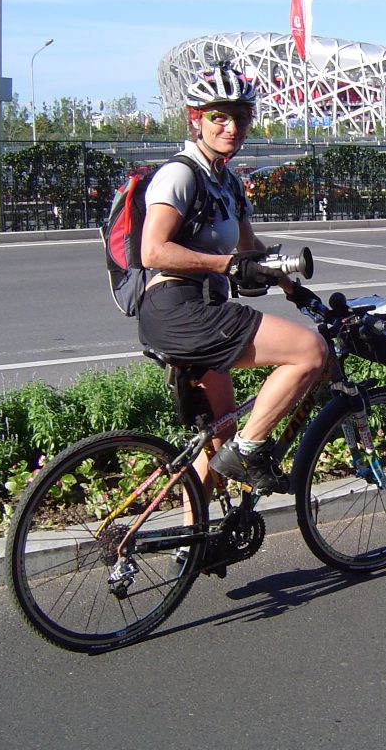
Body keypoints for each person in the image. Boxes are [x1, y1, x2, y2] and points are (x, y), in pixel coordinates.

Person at [138, 61, 327, 495]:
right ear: (195, 119)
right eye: (217, 116)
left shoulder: (227, 183)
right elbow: (154, 250)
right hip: (179, 309)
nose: (230, 127)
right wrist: (224, 266)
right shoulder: (180, 174)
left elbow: (250, 251)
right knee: (310, 352)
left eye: (240, 117)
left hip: (204, 308)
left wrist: (296, 290)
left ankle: (191, 547)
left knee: (216, 445)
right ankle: (248, 453)